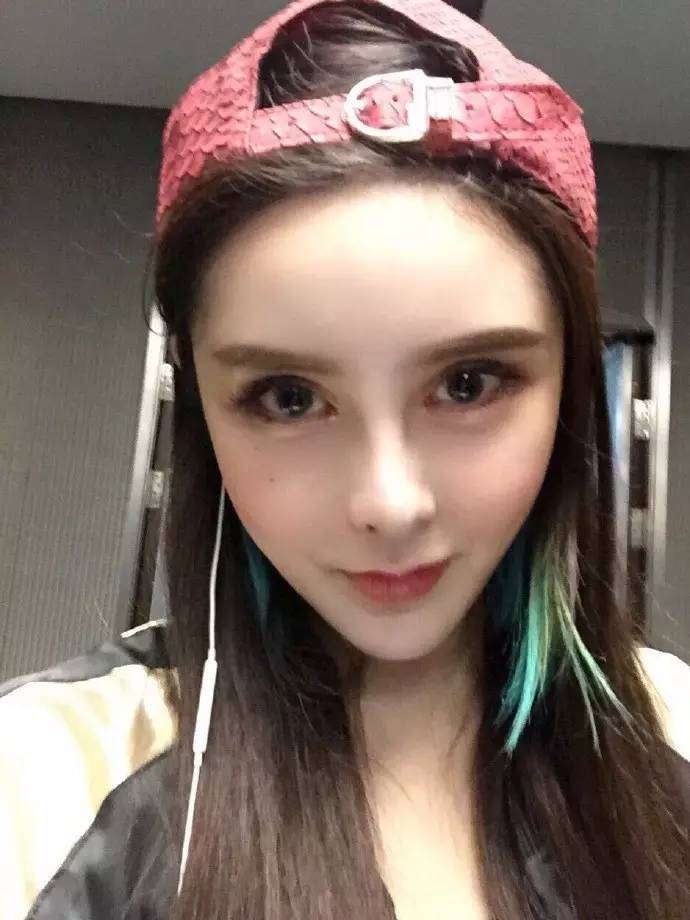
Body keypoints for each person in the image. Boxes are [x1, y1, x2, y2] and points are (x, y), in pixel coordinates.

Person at [1, 1, 689, 918]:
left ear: (568, 389)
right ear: (201, 412)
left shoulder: (675, 734)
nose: (390, 503)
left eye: (469, 384)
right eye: (289, 398)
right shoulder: (46, 781)